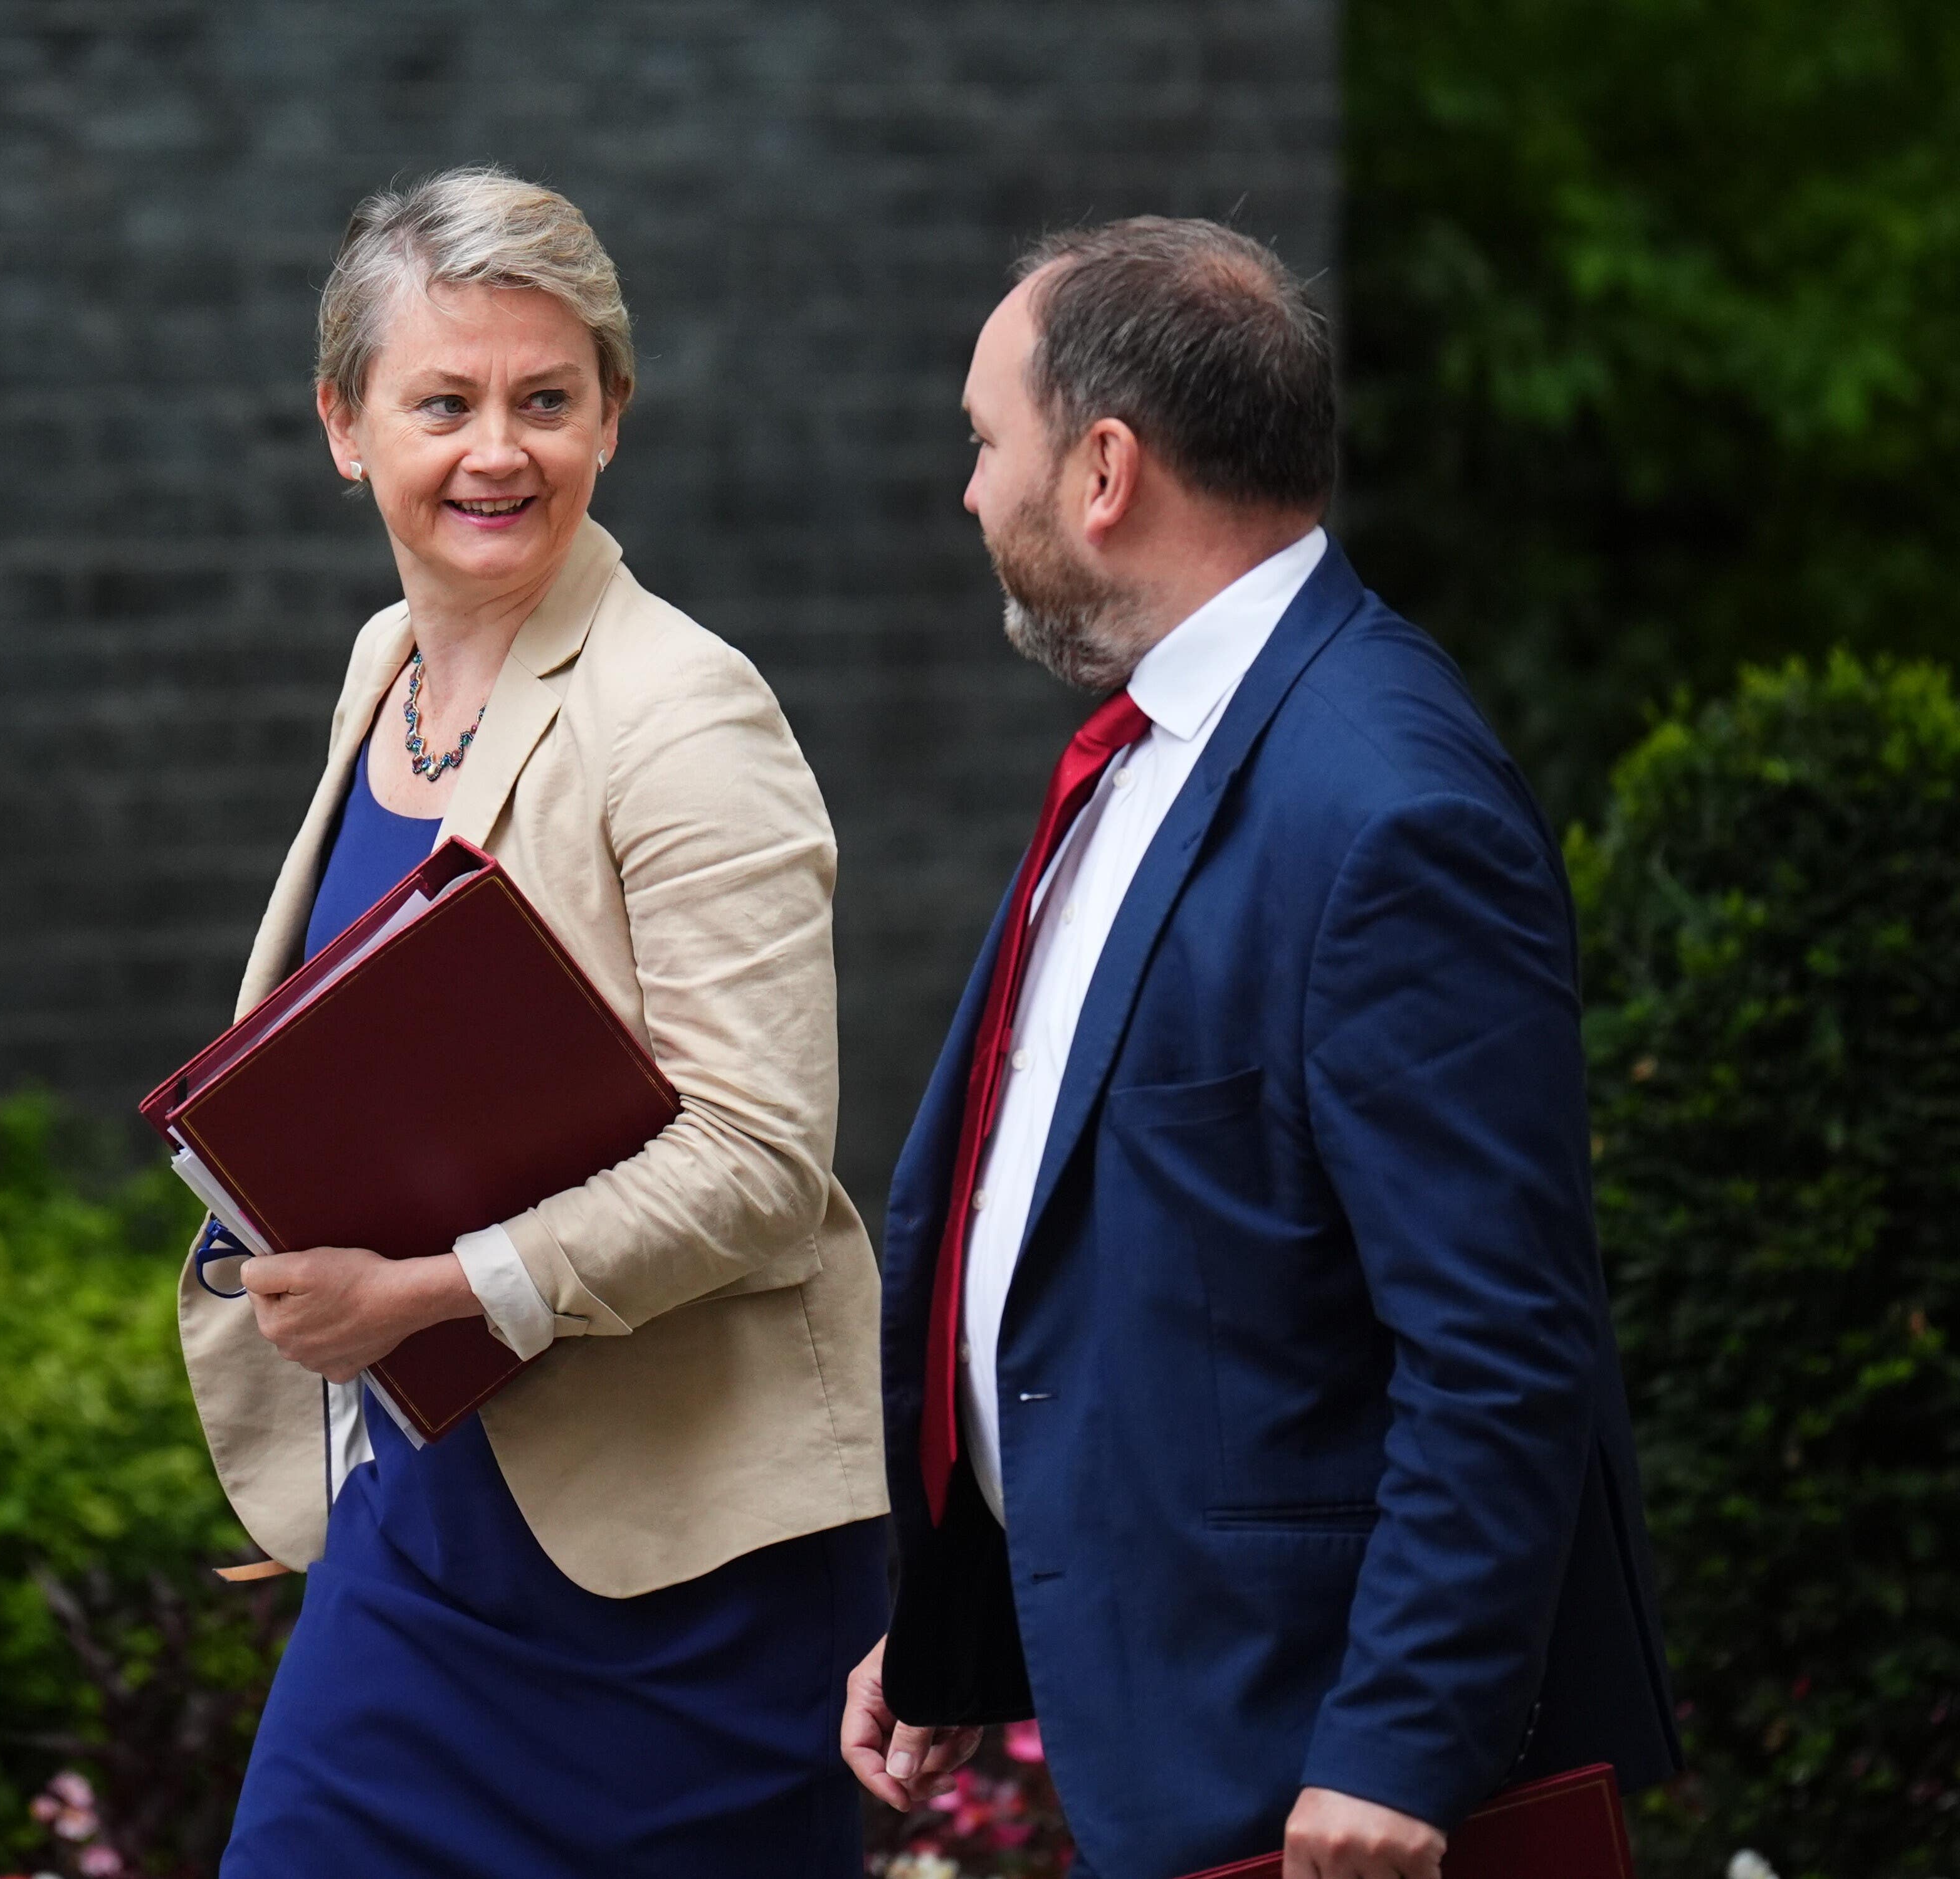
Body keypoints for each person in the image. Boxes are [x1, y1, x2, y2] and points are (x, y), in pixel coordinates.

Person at [838, 218, 1682, 1879]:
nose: (968, 493)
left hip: (1320, 1790)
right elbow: (1136, 1266)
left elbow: (1503, 1339)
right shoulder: (1155, 742)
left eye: (983, 442)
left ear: (1102, 470)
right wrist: (965, 1621)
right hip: (1180, 1727)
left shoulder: (1387, 805)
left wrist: (1398, 1751)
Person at [178, 167, 888, 1878]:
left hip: (679, 1588)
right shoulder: (385, 670)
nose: (498, 451)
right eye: (445, 403)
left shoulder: (688, 716)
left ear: (613, 418)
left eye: (546, 401)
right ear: (344, 426)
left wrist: (428, 1300)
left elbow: (762, 1160)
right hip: (425, 1541)